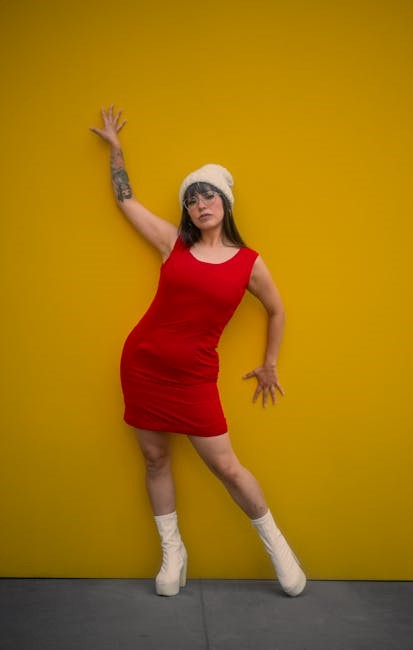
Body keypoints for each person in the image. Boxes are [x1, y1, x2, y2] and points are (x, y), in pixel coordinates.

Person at [89, 104, 306, 597]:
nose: (200, 204)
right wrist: (116, 150)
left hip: (194, 377)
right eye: (191, 199)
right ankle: (173, 553)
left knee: (226, 467)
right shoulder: (174, 245)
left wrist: (269, 364)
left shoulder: (249, 263)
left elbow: (277, 311)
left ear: (225, 202)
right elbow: (126, 201)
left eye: (208, 194)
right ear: (186, 211)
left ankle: (277, 547)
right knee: (154, 459)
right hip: (143, 364)